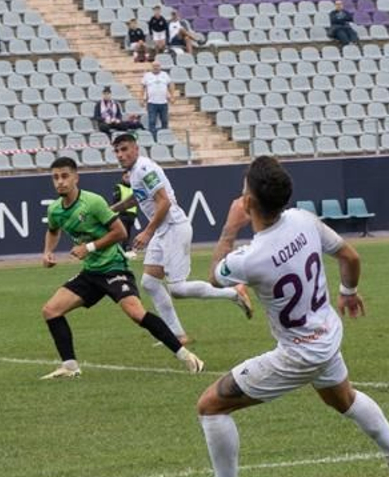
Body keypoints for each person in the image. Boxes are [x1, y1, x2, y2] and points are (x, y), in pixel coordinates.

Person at [179, 156, 389, 477]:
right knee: (344, 399)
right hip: (326, 333)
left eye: (243, 190)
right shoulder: (304, 221)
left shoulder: (250, 258)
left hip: (298, 353)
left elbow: (214, 276)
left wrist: (229, 229)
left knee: (210, 405)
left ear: (248, 203)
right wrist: (349, 291)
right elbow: (349, 256)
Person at [38, 156, 204, 380]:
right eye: (56, 177)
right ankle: (69, 366)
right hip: (91, 272)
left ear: (76, 177)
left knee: (136, 314)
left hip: (114, 268)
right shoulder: (55, 210)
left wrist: (89, 247)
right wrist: (48, 252)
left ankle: (186, 356)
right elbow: (53, 230)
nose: (60, 182)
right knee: (51, 310)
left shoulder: (93, 202)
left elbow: (120, 233)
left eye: (65, 176)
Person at [114, 133, 251, 348]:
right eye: (117, 151)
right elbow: (138, 196)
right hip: (163, 230)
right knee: (150, 283)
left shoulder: (144, 168)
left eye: (124, 149)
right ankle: (178, 335)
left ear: (136, 148)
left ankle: (233, 292)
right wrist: (114, 209)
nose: (120, 155)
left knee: (177, 289)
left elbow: (164, 202)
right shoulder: (134, 173)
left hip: (174, 228)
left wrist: (148, 232)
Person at [142, 58, 171, 136]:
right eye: (154, 66)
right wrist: (142, 98)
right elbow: (143, 87)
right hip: (152, 103)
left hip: (163, 102)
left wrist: (172, 95)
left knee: (164, 120)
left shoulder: (165, 75)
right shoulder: (147, 75)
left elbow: (170, 85)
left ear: (160, 67)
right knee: (152, 121)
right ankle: (153, 136)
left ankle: (165, 136)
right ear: (151, 67)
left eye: (157, 66)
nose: (156, 67)